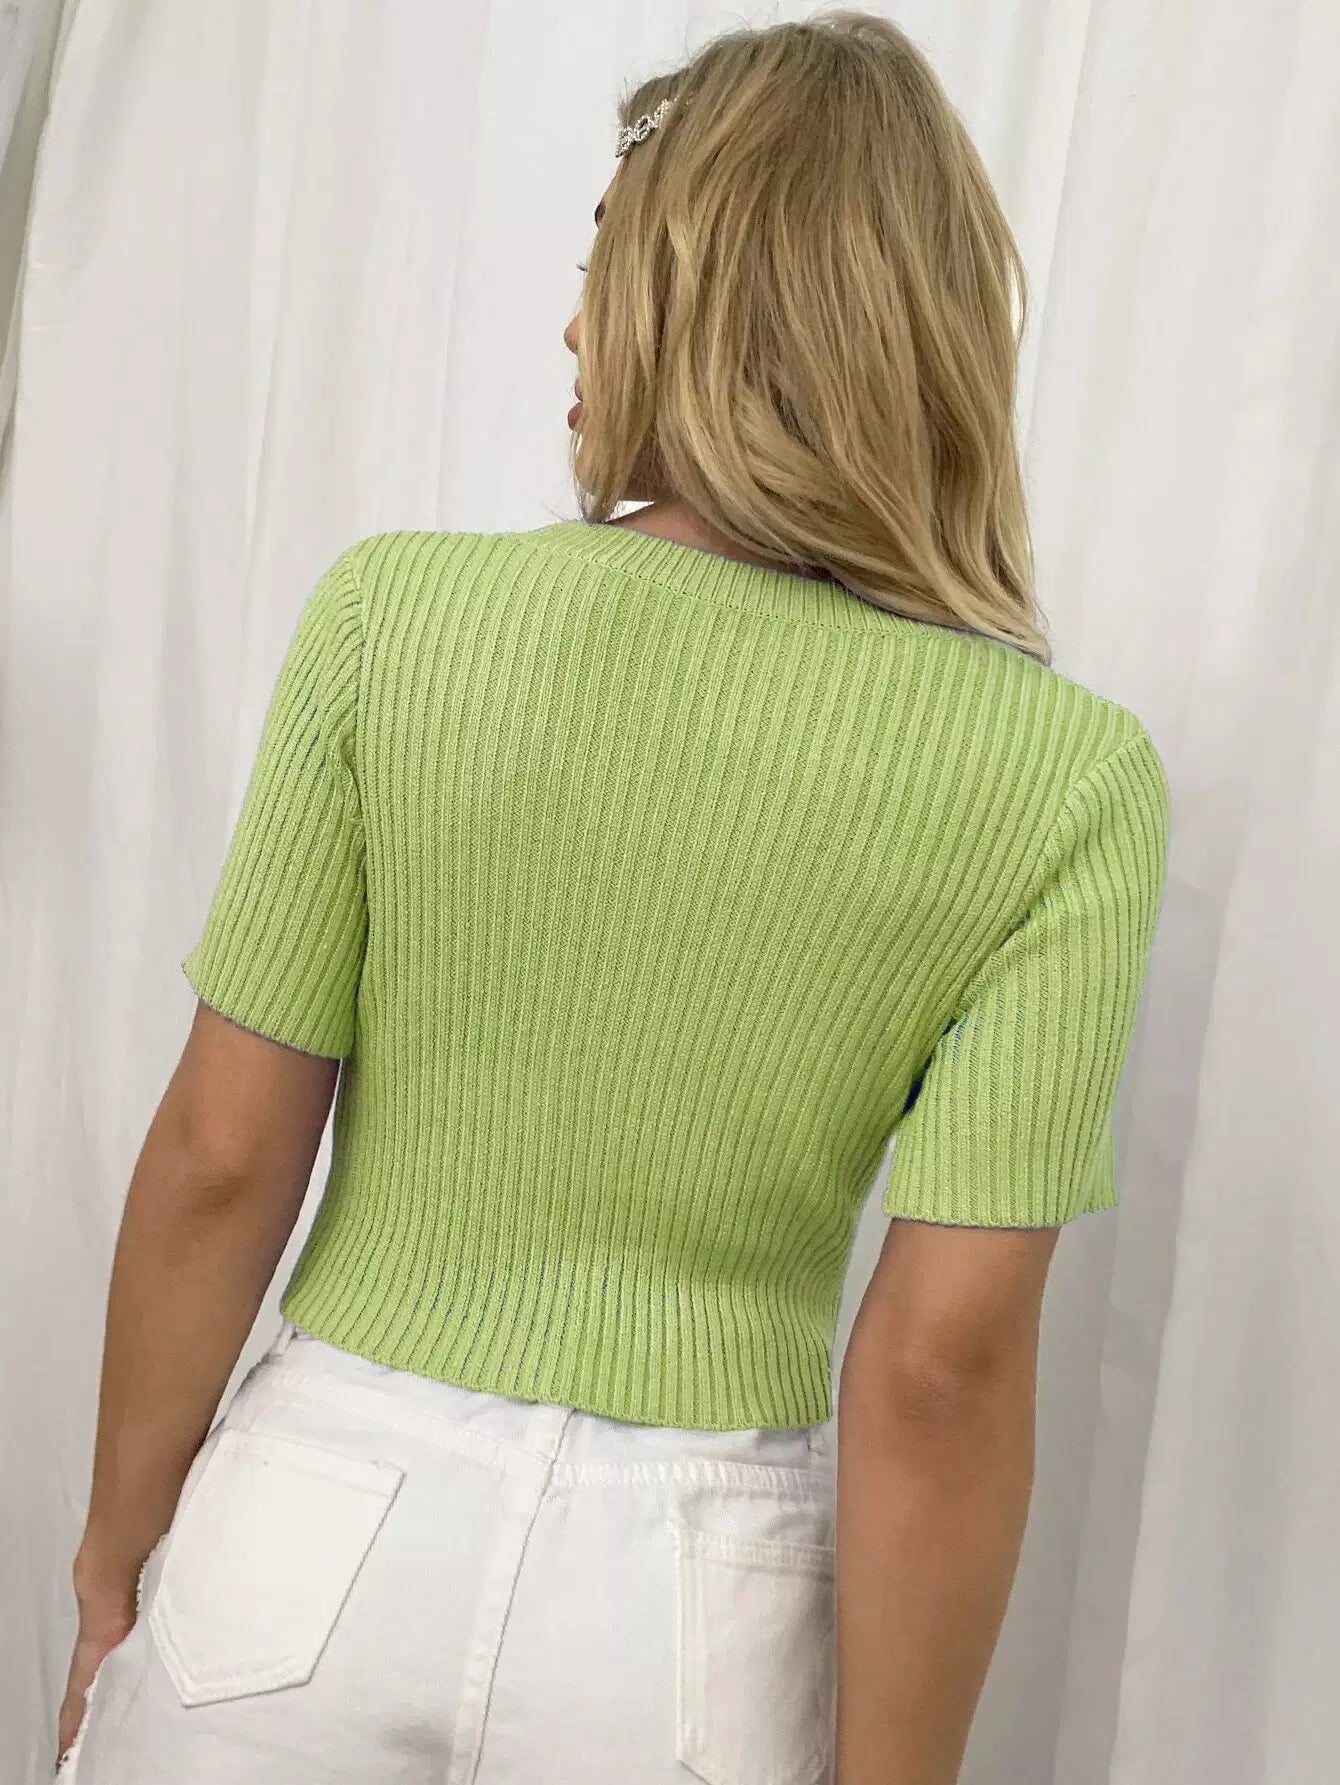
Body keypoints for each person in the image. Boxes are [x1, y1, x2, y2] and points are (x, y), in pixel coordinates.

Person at [56, 13, 1169, 1785]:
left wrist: (115, 1563)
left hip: (309, 1543)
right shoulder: (1062, 780)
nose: (575, 323)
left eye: (604, 256)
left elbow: (217, 1152)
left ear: (692, 296)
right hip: (693, 1630)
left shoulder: (396, 621)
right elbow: (942, 1363)